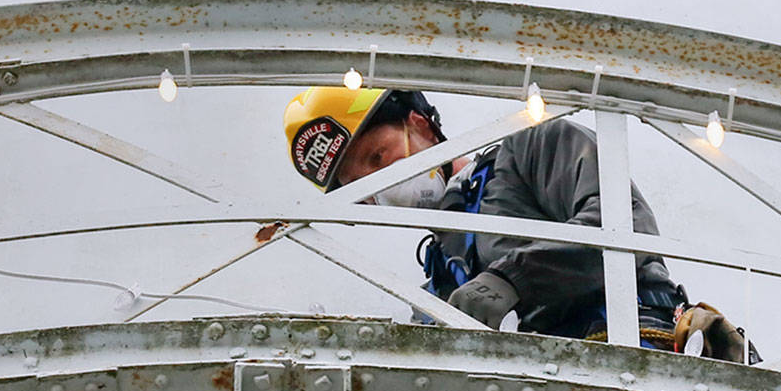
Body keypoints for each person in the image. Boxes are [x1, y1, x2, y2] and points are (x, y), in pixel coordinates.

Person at [282, 85, 750, 357]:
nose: (381, 185)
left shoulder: (530, 146)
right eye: (361, 187)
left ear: (420, 125)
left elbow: (624, 222)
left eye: (378, 157)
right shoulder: (441, 268)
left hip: (630, 347)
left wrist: (513, 279)